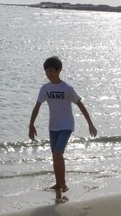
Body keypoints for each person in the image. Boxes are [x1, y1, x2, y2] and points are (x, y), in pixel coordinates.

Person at [28, 56, 97, 194]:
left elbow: (80, 105)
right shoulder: (45, 89)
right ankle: (58, 183)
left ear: (59, 70)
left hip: (66, 125)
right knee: (54, 155)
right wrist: (31, 125)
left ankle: (64, 184)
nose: (49, 74)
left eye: (51, 71)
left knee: (58, 152)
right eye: (46, 71)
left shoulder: (67, 88)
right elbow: (37, 107)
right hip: (53, 126)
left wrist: (90, 124)